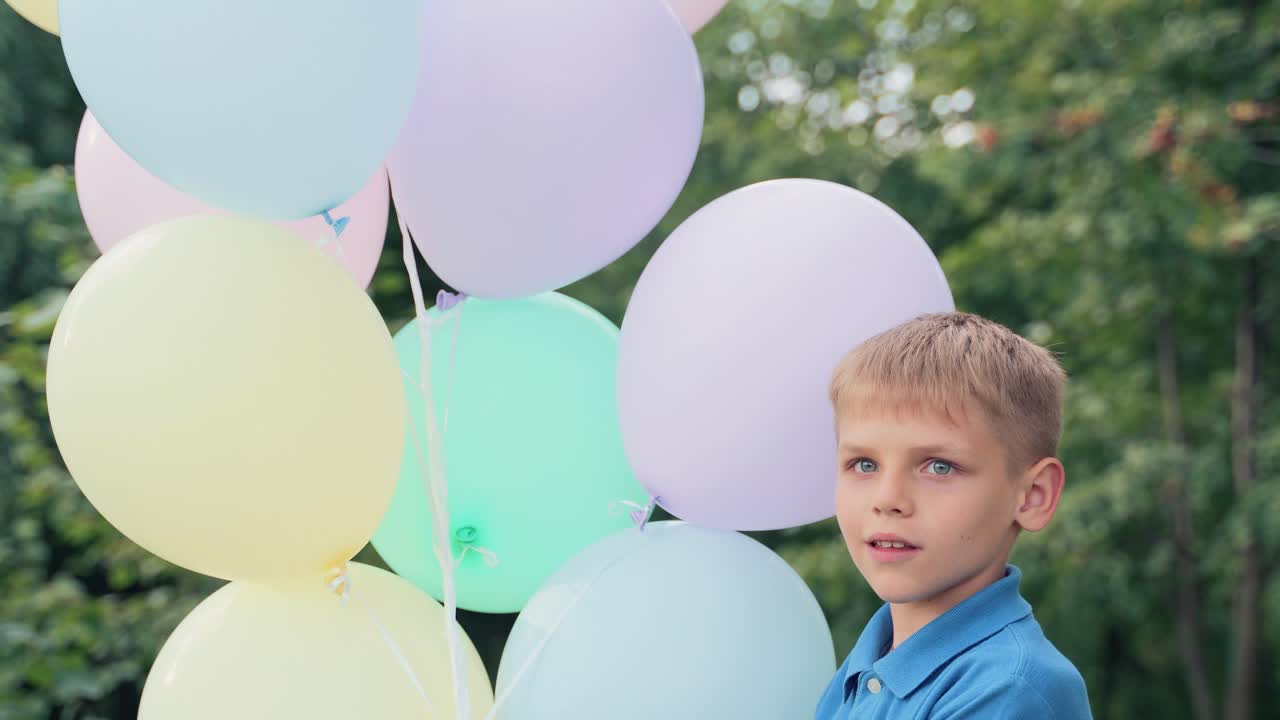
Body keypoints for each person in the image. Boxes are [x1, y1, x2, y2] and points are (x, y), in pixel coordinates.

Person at [815, 312, 1093, 719]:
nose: (888, 499)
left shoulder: (1009, 689)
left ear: (1033, 495)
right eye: (864, 465)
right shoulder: (864, 666)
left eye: (939, 467)